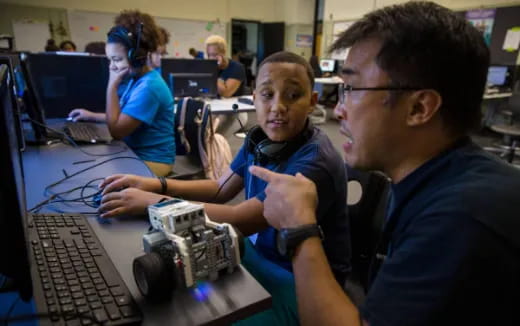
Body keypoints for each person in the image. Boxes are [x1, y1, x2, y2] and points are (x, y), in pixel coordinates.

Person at [249, 2, 520, 326]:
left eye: (351, 89)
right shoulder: (441, 180)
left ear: (419, 107)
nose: (339, 111)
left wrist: (300, 228)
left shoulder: (461, 220)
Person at [97, 51, 351, 324]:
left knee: (197, 313)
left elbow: (242, 219)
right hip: (262, 253)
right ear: (254, 98)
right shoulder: (260, 139)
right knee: (183, 289)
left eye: (292, 95)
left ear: (312, 102)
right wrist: (156, 184)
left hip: (303, 283)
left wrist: (153, 202)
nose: (278, 106)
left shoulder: (314, 162)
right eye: (267, 94)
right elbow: (221, 189)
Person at [68, 10, 175, 177]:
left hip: (152, 161)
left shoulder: (149, 87)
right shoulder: (136, 80)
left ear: (137, 57)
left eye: (116, 59)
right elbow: (123, 117)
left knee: (95, 176)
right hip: (134, 154)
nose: (112, 66)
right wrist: (91, 116)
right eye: (110, 60)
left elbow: (116, 131)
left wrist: (112, 84)